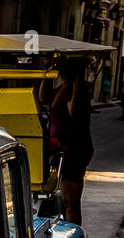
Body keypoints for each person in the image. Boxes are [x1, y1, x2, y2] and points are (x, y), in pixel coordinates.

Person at [49, 59, 94, 227]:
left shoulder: (78, 90)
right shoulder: (62, 89)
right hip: (61, 148)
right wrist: (45, 76)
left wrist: (74, 87)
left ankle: (73, 235)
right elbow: (43, 97)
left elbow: (74, 112)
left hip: (74, 149)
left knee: (71, 201)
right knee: (65, 199)